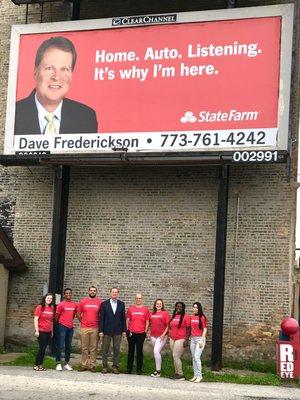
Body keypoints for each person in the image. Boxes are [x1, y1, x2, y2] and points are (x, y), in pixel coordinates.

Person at [15, 36, 98, 135]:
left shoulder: (86, 117)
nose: (56, 77)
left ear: (71, 75)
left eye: (64, 69)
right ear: (35, 72)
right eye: (49, 68)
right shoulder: (13, 114)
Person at [99, 287, 126, 374]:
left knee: (116, 349)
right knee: (105, 349)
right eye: (113, 292)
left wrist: (124, 330)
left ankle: (115, 367)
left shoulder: (122, 304)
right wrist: (101, 330)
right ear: (110, 293)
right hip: (106, 330)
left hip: (118, 330)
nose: (114, 293)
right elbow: (101, 318)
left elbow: (123, 318)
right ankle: (104, 366)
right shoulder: (104, 304)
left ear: (118, 294)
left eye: (116, 292)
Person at [77, 286, 103, 372]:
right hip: (84, 327)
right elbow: (78, 313)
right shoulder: (83, 301)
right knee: (84, 348)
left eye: (94, 291)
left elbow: (101, 315)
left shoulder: (99, 302)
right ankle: (84, 365)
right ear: (88, 291)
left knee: (93, 348)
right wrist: (83, 321)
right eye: (91, 290)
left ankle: (92, 366)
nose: (92, 292)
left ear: (96, 292)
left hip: (95, 328)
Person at [126, 293, 150, 375]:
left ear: (142, 299)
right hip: (131, 333)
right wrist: (127, 330)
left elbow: (147, 321)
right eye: (137, 298)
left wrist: (145, 331)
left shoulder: (145, 309)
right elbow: (128, 320)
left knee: (139, 351)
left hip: (141, 333)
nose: (138, 299)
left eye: (139, 298)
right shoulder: (131, 309)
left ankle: (139, 369)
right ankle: (129, 368)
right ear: (135, 299)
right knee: (131, 351)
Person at [55, 288, 77, 371]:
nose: (68, 294)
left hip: (70, 328)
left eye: (69, 293)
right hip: (62, 327)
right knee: (60, 345)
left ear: (71, 294)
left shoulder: (74, 304)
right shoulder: (61, 304)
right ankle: (58, 363)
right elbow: (56, 316)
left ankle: (66, 363)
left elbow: (73, 315)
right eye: (66, 293)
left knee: (68, 346)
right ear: (64, 295)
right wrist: (59, 325)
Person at [168, 301, 191, 380]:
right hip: (172, 338)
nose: (179, 308)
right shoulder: (174, 316)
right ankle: (176, 373)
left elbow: (188, 329)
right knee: (174, 356)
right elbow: (170, 326)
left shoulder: (186, 317)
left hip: (181, 339)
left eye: (180, 307)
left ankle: (181, 374)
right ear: (175, 307)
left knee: (176, 356)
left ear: (183, 308)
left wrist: (186, 340)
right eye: (177, 306)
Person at [33, 293, 54, 371]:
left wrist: (52, 331)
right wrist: (37, 330)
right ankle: (39, 365)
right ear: (45, 298)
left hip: (48, 331)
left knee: (43, 348)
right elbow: (35, 319)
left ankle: (37, 365)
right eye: (48, 298)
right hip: (41, 331)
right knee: (42, 348)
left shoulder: (51, 308)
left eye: (51, 299)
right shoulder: (40, 307)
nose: (49, 300)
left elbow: (51, 321)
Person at [149, 298, 170, 377]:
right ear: (155, 305)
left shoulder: (165, 313)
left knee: (156, 351)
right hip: (153, 335)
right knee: (157, 352)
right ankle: (157, 369)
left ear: (162, 305)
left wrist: (163, 334)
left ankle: (158, 371)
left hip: (162, 336)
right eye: (157, 304)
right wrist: (148, 332)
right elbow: (150, 323)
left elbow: (168, 325)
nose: (158, 305)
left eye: (160, 304)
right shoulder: (152, 313)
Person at [189, 302, 207, 383]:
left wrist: (202, 340)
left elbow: (205, 329)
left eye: (196, 307)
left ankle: (200, 376)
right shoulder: (192, 317)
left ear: (199, 308)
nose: (195, 309)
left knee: (197, 357)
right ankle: (195, 375)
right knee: (193, 358)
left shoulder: (202, 317)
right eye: (194, 307)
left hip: (200, 339)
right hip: (192, 339)